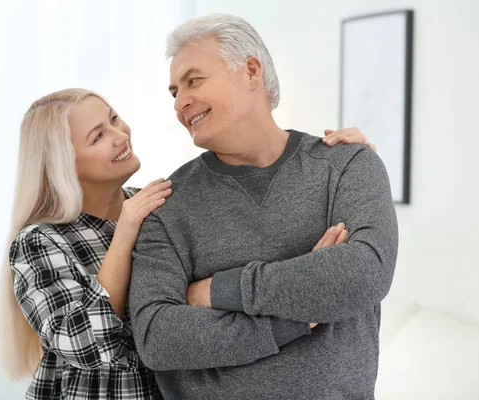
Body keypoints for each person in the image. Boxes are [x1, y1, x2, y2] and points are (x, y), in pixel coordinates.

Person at [0, 95, 374, 398]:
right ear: (64, 164)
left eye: (113, 118)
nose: (120, 134)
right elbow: (87, 344)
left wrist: (347, 160)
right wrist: (125, 232)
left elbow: (257, 239)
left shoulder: (161, 206)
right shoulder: (41, 241)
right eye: (98, 136)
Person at [129, 13, 398, 400]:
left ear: (251, 71)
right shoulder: (168, 204)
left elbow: (365, 272)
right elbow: (157, 335)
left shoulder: (346, 165)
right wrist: (298, 315)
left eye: (194, 80)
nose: (180, 102)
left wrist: (215, 291)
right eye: (174, 92)